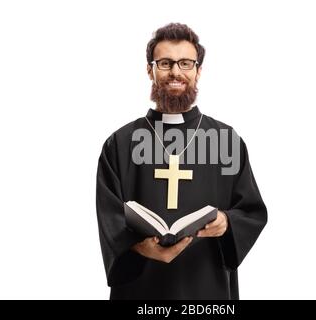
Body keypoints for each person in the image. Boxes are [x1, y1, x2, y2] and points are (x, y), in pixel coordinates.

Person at [96, 22, 268, 300]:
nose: (176, 71)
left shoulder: (225, 140)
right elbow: (109, 215)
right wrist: (140, 248)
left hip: (206, 286)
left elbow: (251, 210)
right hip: (140, 290)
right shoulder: (121, 142)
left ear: (198, 71)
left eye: (186, 63)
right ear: (149, 69)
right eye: (165, 63)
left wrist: (226, 221)